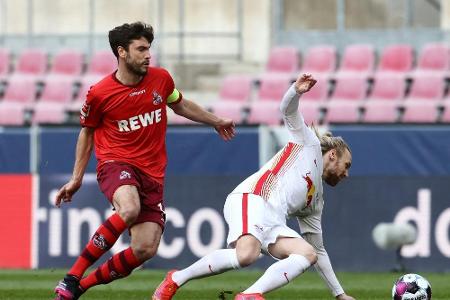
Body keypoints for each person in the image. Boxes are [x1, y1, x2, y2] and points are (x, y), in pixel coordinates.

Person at [53, 21, 235, 300]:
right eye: (141, 49)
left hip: (153, 174)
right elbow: (87, 132)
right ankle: (71, 276)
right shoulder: (100, 93)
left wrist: (216, 120)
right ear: (122, 52)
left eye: (149, 48)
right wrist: (76, 178)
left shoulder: (161, 79)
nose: (148, 54)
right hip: (116, 164)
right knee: (129, 209)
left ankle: (81, 287)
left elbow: (180, 104)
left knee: (145, 249)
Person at [152, 74, 355, 300]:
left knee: (307, 253)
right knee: (246, 255)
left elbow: (318, 250)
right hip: (253, 197)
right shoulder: (309, 144)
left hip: (273, 219)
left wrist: (340, 295)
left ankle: (250, 295)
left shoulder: (315, 200)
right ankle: (176, 278)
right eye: (346, 165)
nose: (346, 173)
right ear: (333, 155)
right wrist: (295, 91)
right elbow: (288, 110)